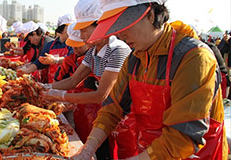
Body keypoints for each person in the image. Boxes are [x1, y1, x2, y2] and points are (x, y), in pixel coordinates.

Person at [72, 0, 228, 159]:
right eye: (116, 27)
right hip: (150, 152)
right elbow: (112, 109)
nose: (120, 34)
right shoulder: (135, 58)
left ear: (151, 15)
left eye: (125, 24)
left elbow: (183, 137)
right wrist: (88, 148)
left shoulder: (194, 57)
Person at [43, 0, 131, 159]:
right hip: (102, 116)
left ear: (101, 25)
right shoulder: (92, 52)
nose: (82, 36)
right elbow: (73, 80)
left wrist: (60, 96)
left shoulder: (118, 50)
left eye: (85, 30)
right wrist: (45, 87)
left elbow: (101, 95)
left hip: (120, 120)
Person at [18, 14, 74, 83]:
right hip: (52, 82)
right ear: (61, 28)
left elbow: (72, 59)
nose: (72, 30)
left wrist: (55, 60)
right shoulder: (50, 45)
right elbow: (39, 62)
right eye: (69, 27)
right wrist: (26, 70)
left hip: (68, 83)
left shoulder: (74, 45)